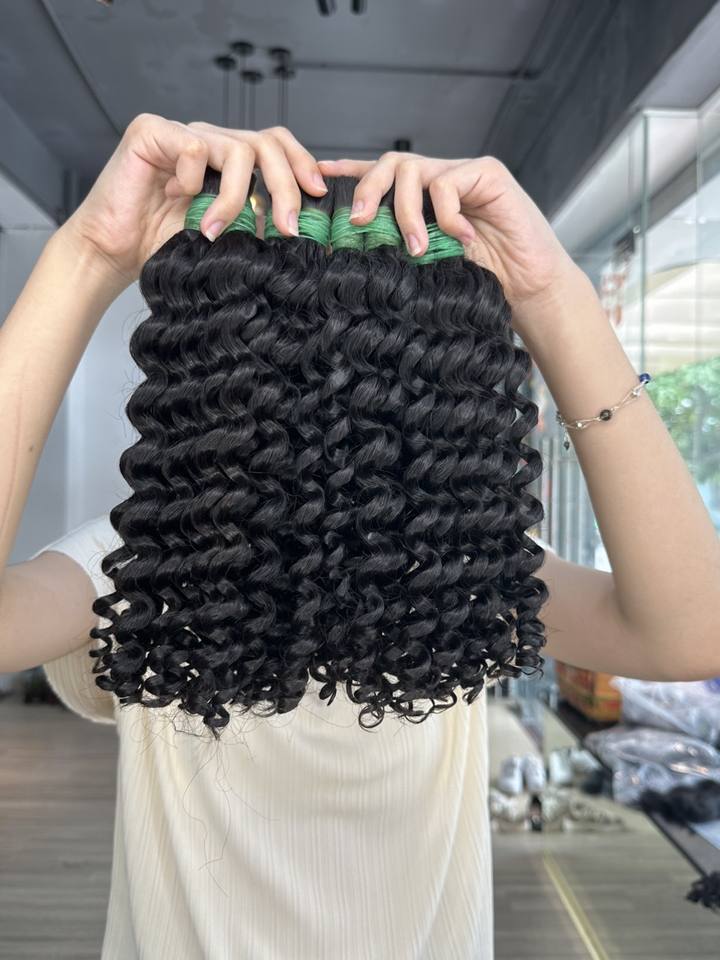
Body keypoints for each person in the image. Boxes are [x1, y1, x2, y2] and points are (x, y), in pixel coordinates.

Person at [1, 114, 718, 960]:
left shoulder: (458, 568)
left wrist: (88, 258)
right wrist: (552, 297)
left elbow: (691, 632)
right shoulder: (154, 564)